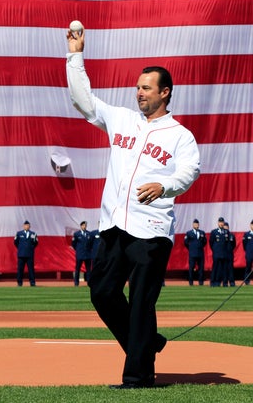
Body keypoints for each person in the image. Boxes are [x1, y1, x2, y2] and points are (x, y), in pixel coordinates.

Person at [66, 27, 200, 388]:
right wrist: (75, 55)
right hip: (114, 225)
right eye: (138, 87)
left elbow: (190, 171)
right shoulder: (122, 120)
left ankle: (138, 376)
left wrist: (165, 185)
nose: (139, 92)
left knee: (141, 300)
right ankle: (148, 343)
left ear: (164, 93)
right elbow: (84, 100)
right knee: (102, 292)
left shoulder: (179, 135)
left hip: (152, 229)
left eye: (146, 87)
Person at [13, 220, 38, 286]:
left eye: (28, 225)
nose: (26, 226)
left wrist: (30, 248)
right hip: (21, 254)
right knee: (20, 269)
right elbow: (16, 242)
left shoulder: (33, 234)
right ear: (23, 226)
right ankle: (19, 282)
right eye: (25, 225)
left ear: (29, 226)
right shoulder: (19, 233)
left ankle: (32, 282)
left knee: (31, 269)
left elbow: (35, 243)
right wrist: (21, 248)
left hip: (30, 254)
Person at [183, 219, 207, 285]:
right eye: (195, 224)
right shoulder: (189, 233)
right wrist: (191, 248)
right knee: (191, 268)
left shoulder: (202, 232)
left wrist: (200, 246)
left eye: (197, 224)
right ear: (193, 225)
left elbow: (205, 242)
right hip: (192, 253)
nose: (196, 225)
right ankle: (191, 282)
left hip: (200, 253)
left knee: (201, 268)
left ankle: (201, 282)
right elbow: (185, 242)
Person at [209, 217, 230, 287]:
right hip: (217, 253)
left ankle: (225, 283)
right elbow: (211, 243)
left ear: (223, 223)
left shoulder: (226, 232)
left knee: (224, 269)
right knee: (215, 268)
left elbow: (228, 243)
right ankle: (213, 282)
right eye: (220, 222)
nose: (221, 223)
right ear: (218, 223)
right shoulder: (214, 232)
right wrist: (215, 250)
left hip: (224, 253)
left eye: (222, 222)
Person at [71, 221, 92, 286]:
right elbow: (73, 244)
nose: (84, 226)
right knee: (77, 269)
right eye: (83, 225)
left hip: (87, 254)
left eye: (85, 225)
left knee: (88, 270)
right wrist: (78, 250)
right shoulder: (77, 234)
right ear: (81, 226)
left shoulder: (89, 233)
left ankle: (89, 282)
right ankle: (76, 283)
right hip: (80, 254)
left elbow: (91, 243)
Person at [223, 222, 236, 287]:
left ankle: (232, 282)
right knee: (224, 269)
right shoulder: (221, 235)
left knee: (231, 269)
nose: (226, 228)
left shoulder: (232, 235)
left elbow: (234, 244)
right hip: (223, 255)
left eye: (226, 227)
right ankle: (225, 283)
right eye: (224, 227)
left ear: (228, 227)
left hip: (230, 254)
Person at [243, 220, 253, 285]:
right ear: (250, 225)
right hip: (249, 254)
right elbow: (244, 244)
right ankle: (247, 281)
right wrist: (247, 251)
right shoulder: (247, 234)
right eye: (252, 224)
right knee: (248, 267)